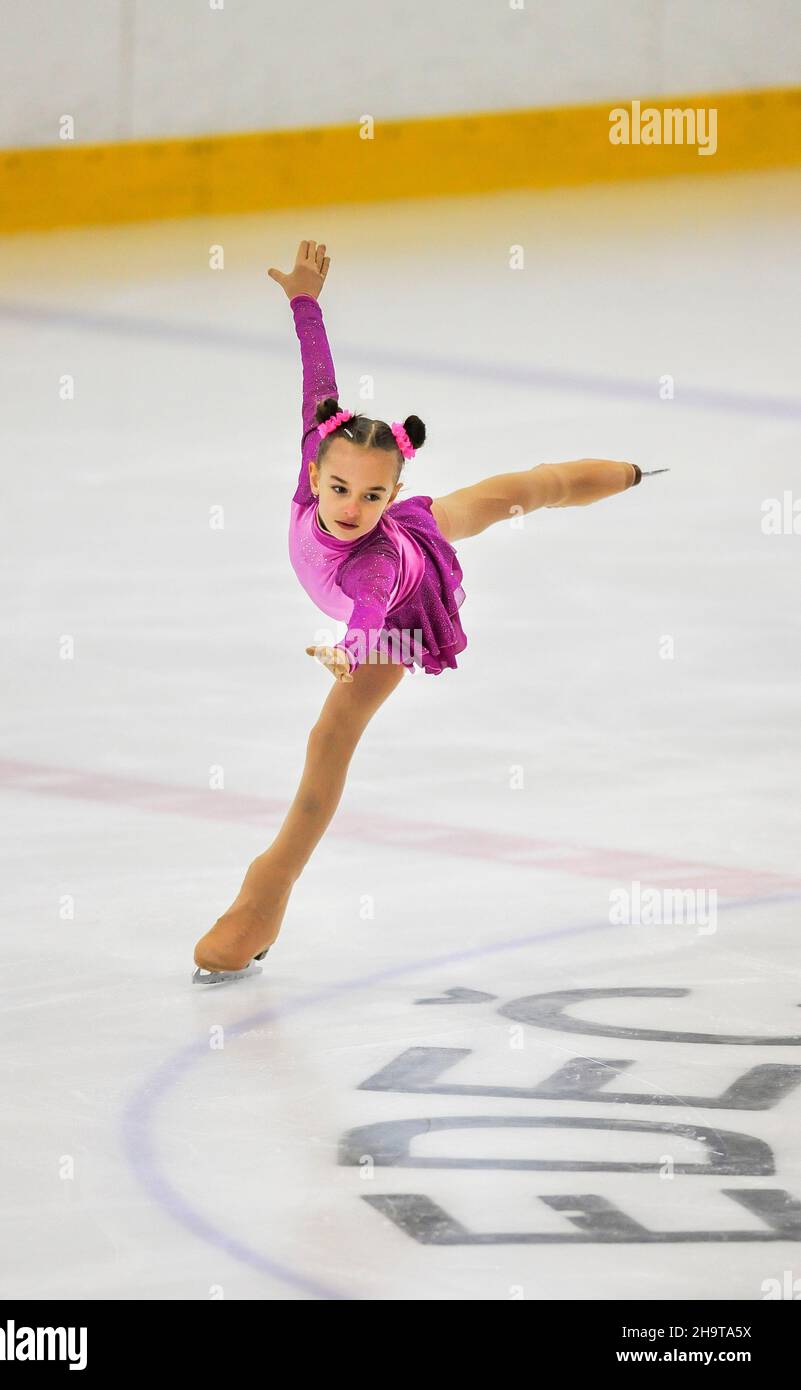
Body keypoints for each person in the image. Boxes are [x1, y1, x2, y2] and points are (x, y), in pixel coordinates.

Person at [192, 239, 664, 983]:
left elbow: (371, 606)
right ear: (314, 469)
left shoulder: (374, 554)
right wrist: (304, 301)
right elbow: (318, 379)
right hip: (417, 534)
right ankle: (595, 476)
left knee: (330, 735)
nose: (352, 507)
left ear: (391, 492)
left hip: (405, 596)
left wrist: (351, 648)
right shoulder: (320, 455)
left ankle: (264, 891)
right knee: (506, 495)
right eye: (340, 487)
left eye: (373, 495)